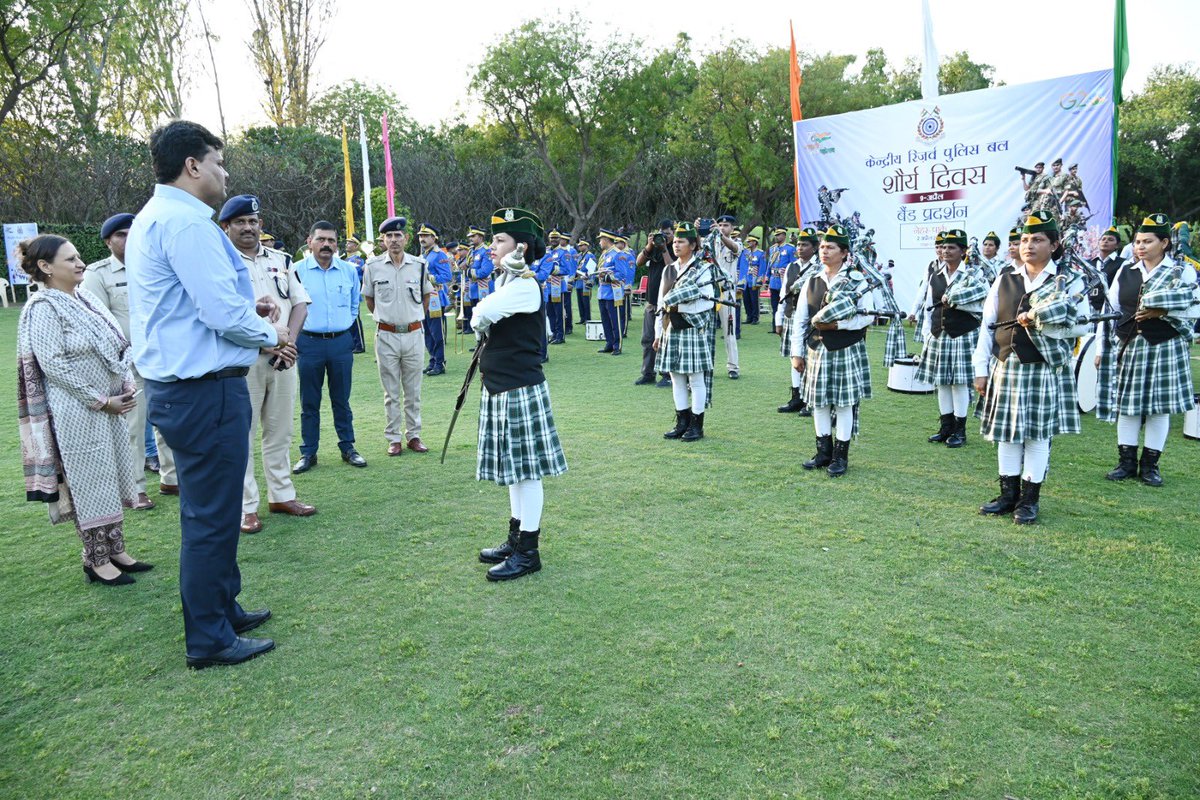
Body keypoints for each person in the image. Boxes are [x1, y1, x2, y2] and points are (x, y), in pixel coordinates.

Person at [127, 120, 288, 667]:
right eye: (219, 163)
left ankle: (223, 607)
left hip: (190, 388)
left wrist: (248, 310)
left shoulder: (160, 217)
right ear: (192, 165)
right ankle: (210, 638)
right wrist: (272, 332)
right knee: (211, 517)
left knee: (211, 511)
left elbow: (195, 305)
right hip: (203, 391)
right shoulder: (186, 223)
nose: (224, 173)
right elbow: (220, 314)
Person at [17, 234, 152, 586]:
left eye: (79, 257)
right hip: (77, 411)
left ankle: (116, 549)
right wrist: (100, 400)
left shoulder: (86, 298)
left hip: (110, 406)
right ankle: (95, 559)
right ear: (45, 267)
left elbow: (117, 343)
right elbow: (53, 365)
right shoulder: (43, 307)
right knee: (89, 482)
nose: (81, 264)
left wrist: (124, 384)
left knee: (112, 474)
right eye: (71, 259)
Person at [972, 215, 1089, 524]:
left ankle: (1029, 501)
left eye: (1037, 240)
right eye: (1025, 240)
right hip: (1005, 364)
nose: (1028, 245)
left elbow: (1082, 325)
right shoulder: (1005, 278)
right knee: (1007, 435)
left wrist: (1042, 322)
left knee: (1037, 436)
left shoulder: (1070, 280)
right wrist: (980, 368)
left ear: (1054, 244)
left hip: (1044, 368)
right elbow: (987, 326)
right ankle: (1007, 496)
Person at [473, 207, 567, 581]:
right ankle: (516, 540)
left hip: (519, 389)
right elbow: (481, 315)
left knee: (527, 474)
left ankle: (528, 551)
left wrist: (481, 313)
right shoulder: (507, 282)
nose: (491, 246)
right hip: (502, 387)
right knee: (515, 472)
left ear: (520, 247)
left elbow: (479, 314)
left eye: (499, 240)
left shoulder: (525, 286)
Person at [218, 195, 317, 535]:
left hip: (283, 359)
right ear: (226, 226)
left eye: (253, 221)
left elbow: (300, 303)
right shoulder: (220, 262)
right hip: (243, 362)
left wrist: (289, 343)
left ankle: (282, 495)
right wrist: (267, 343)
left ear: (260, 224)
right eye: (240, 222)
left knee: (280, 431)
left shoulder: (281, 259)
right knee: (242, 436)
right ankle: (246, 507)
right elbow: (224, 315)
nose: (248, 227)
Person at [1096, 214, 1197, 487]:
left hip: (1166, 345)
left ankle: (1150, 466)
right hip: (1129, 344)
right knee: (1127, 407)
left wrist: (1163, 311)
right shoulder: (1126, 270)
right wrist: (1100, 347)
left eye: (1147, 241)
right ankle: (1126, 463)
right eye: (1138, 241)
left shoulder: (1182, 270)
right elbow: (1111, 309)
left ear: (1164, 243)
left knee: (1158, 409)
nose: (1140, 246)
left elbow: (1195, 307)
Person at [82, 213, 156, 511]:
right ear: (107, 241)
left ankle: (173, 479)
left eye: (133, 232)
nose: (129, 239)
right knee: (133, 428)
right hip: (126, 364)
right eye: (121, 235)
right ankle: (135, 488)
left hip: (162, 358)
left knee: (169, 422)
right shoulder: (98, 274)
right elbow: (96, 323)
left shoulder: (154, 266)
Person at [790, 225, 874, 477]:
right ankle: (823, 452)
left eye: (831, 247)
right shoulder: (812, 280)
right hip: (816, 349)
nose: (824, 251)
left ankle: (840, 456)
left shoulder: (857, 281)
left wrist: (838, 325)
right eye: (823, 247)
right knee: (819, 402)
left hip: (846, 348)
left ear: (844, 252)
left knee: (844, 403)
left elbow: (867, 316)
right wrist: (796, 353)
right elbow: (800, 319)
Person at [293, 220, 367, 473]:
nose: (326, 244)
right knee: (309, 401)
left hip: (340, 342)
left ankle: (348, 447)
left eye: (331, 240)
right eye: (321, 239)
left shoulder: (348, 271)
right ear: (309, 241)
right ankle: (308, 452)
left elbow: (354, 305)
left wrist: (342, 325)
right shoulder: (296, 271)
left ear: (337, 244)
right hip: (308, 342)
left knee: (341, 399)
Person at [362, 216, 433, 457]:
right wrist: (388, 318)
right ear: (383, 240)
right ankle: (393, 438)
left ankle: (414, 435)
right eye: (389, 236)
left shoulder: (419, 265)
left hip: (413, 334)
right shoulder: (372, 267)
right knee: (390, 392)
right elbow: (369, 299)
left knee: (413, 391)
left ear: (406, 238)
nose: (394, 240)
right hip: (386, 335)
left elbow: (426, 296)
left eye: (398, 235)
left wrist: (413, 318)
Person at [915, 229, 987, 449]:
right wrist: (927, 333)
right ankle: (945, 427)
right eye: (944, 247)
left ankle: (960, 430)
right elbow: (929, 305)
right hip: (939, 334)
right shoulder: (935, 275)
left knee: (959, 383)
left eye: (952, 247)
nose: (946, 251)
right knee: (942, 382)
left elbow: (982, 305)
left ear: (963, 251)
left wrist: (957, 302)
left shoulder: (974, 274)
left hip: (963, 334)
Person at [655, 221, 717, 442]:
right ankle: (682, 422)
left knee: (696, 380)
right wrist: (658, 334)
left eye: (681, 242)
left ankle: (696, 425)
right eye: (675, 241)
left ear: (693, 245)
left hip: (692, 329)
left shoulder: (703, 269)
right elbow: (661, 303)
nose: (676, 245)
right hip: (671, 328)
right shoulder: (669, 269)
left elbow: (708, 302)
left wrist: (679, 307)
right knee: (676, 377)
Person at [775, 227, 819, 414]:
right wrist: (778, 318)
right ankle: (797, 397)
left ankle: (810, 399)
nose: (800, 248)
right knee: (795, 357)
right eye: (799, 244)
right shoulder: (792, 266)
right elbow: (783, 292)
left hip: (812, 317)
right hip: (792, 315)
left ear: (815, 247)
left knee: (811, 359)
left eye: (805, 245)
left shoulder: (820, 267)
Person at [635, 219, 674, 386]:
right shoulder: (654, 247)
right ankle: (648, 373)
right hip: (652, 301)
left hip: (668, 303)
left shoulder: (676, 248)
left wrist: (664, 248)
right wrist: (649, 246)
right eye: (661, 234)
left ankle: (667, 375)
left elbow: (672, 269)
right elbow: (638, 262)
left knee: (666, 339)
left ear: (673, 233)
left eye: (667, 234)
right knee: (648, 338)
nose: (664, 237)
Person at [709, 215, 743, 379]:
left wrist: (720, 234)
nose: (722, 227)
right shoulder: (711, 242)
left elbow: (734, 248)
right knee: (707, 331)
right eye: (720, 225)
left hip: (727, 291)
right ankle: (706, 365)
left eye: (726, 225)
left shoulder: (737, 242)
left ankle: (733, 367)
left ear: (732, 228)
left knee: (729, 331)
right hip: (710, 290)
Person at [417, 224, 452, 375]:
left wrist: (428, 277)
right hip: (424, 297)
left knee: (436, 333)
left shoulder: (439, 255)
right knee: (427, 332)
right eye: (420, 236)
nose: (422, 238)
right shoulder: (424, 255)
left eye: (425, 236)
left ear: (434, 238)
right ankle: (433, 360)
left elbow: (446, 276)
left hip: (435, 298)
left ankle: (440, 362)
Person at [595, 229, 631, 355]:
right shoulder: (604, 254)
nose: (599, 242)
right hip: (602, 292)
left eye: (601, 240)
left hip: (613, 292)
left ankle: (617, 346)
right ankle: (609, 343)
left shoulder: (618, 254)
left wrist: (606, 277)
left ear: (606, 240)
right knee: (605, 320)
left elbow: (622, 274)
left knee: (615, 320)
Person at [464, 225, 493, 339]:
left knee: (485, 318)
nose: (470, 238)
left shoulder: (486, 251)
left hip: (484, 288)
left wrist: (468, 273)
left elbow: (485, 271)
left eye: (473, 236)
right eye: (470, 236)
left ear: (481, 237)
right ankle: (479, 342)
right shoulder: (472, 251)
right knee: (476, 318)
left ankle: (488, 342)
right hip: (474, 289)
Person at [1089, 225, 1124, 311]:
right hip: (1089, 307)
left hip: (1111, 308)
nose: (1105, 241)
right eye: (1103, 239)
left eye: (1110, 240)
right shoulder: (1088, 263)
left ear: (1117, 245)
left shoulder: (1123, 263)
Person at [344, 236, 368, 354]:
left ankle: (360, 345)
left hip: (353, 292)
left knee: (355, 320)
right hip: (345, 293)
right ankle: (353, 343)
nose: (347, 245)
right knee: (348, 320)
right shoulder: (346, 259)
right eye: (347, 243)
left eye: (350, 243)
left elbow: (360, 276)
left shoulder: (358, 260)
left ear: (356, 246)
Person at [767, 228, 796, 322]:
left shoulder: (790, 248)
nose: (777, 237)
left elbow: (794, 265)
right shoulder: (772, 248)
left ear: (784, 235)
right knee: (774, 305)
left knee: (784, 304)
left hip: (783, 280)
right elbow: (769, 264)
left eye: (779, 235)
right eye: (776, 235)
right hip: (773, 280)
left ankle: (784, 323)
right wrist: (767, 277)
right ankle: (774, 325)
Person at [739, 232, 767, 325]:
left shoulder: (760, 253)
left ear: (755, 242)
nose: (748, 243)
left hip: (754, 279)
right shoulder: (745, 252)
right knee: (746, 299)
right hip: (745, 279)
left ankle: (755, 317)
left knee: (754, 299)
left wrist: (760, 280)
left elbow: (762, 267)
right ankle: (749, 316)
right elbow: (742, 265)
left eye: (750, 241)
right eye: (748, 241)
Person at [574, 239, 594, 324]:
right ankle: (582, 318)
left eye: (582, 245)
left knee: (586, 301)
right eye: (579, 246)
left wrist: (590, 280)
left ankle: (587, 318)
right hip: (579, 281)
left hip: (586, 280)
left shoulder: (590, 255)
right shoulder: (579, 256)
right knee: (580, 301)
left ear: (586, 246)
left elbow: (592, 268)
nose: (580, 247)